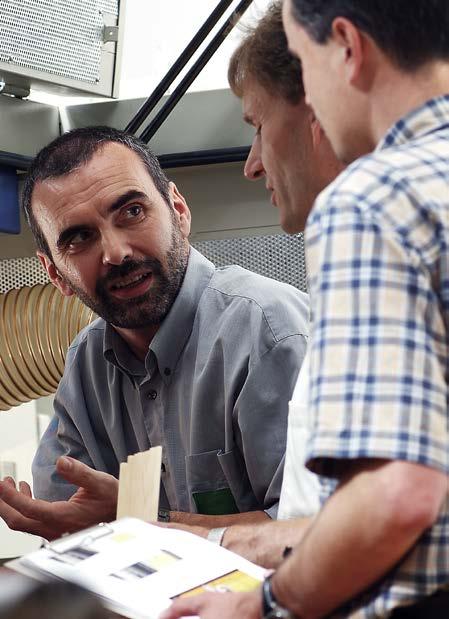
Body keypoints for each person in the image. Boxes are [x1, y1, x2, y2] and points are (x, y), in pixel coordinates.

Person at [162, 0, 449, 617]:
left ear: (345, 46)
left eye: (308, 67)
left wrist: (257, 608)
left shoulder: (374, 200)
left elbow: (397, 497)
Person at [0, 126, 310, 540]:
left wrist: (137, 520)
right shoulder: (86, 362)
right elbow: (71, 525)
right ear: (56, 273)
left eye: (131, 212)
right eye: (79, 238)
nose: (116, 253)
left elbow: (311, 536)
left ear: (178, 210)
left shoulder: (269, 332)